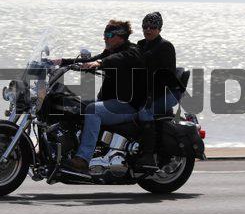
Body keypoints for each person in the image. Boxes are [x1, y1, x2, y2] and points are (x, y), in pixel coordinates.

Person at [52, 20, 145, 172]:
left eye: (109, 35)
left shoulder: (132, 51)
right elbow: (91, 60)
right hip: (110, 101)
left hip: (127, 105)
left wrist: (100, 63)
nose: (105, 38)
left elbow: (119, 59)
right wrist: (62, 62)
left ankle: (83, 158)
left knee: (93, 110)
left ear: (121, 36)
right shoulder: (110, 52)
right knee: (75, 105)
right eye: (104, 34)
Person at [136, 12, 182, 167]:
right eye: (145, 26)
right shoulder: (141, 44)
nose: (148, 30)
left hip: (167, 92)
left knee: (144, 112)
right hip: (150, 91)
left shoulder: (165, 46)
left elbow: (165, 76)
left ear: (159, 29)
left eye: (152, 27)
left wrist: (150, 97)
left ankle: (148, 156)